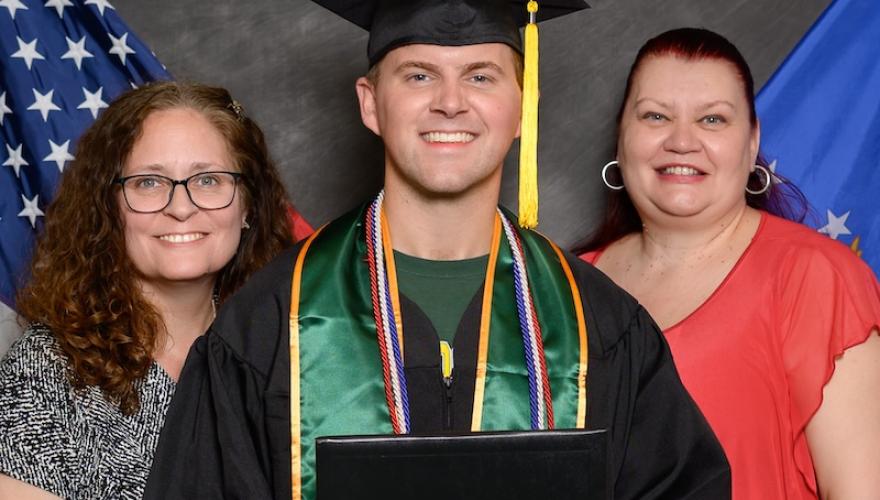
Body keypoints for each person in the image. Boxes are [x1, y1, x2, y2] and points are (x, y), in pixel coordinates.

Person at [145, 3, 730, 499]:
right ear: (371, 103)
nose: (450, 103)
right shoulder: (268, 326)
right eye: (419, 76)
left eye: (480, 76)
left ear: (522, 103)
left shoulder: (601, 328)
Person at [578, 28, 880, 500]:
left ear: (752, 141)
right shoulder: (562, 284)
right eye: (655, 116)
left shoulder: (815, 277)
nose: (682, 141)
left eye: (713, 120)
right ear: (621, 137)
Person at [0, 81, 294, 499]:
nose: (180, 207)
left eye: (208, 180)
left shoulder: (291, 351)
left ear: (247, 205)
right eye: (148, 183)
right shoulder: (45, 371)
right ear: (108, 207)